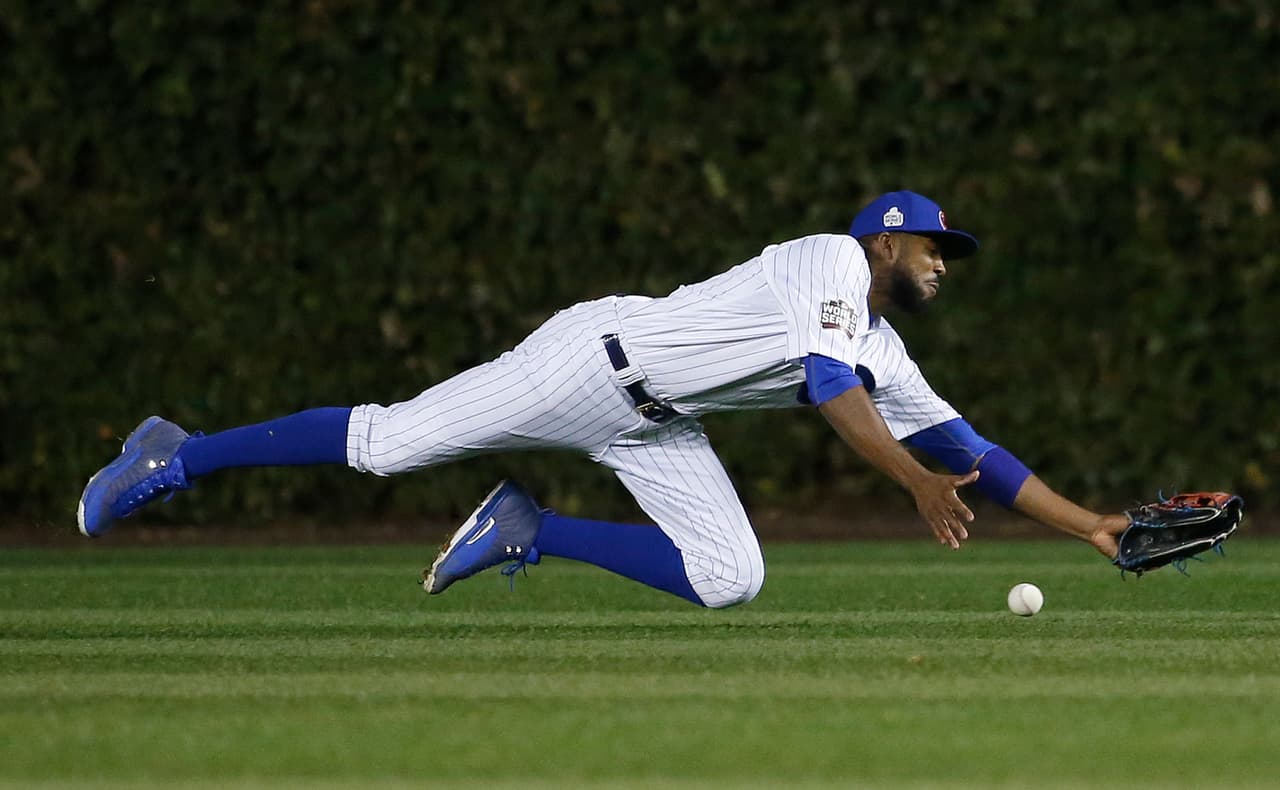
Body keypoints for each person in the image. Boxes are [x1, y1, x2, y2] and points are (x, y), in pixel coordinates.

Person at [78, 191, 1131, 608]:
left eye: (950, 253)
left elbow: (972, 450)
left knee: (729, 578)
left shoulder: (883, 347)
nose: (945, 262)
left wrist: (1090, 528)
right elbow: (822, 386)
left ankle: (528, 528)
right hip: (588, 361)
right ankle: (181, 452)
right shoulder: (826, 262)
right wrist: (909, 482)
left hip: (653, 419)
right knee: (388, 446)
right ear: (885, 239)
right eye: (934, 246)